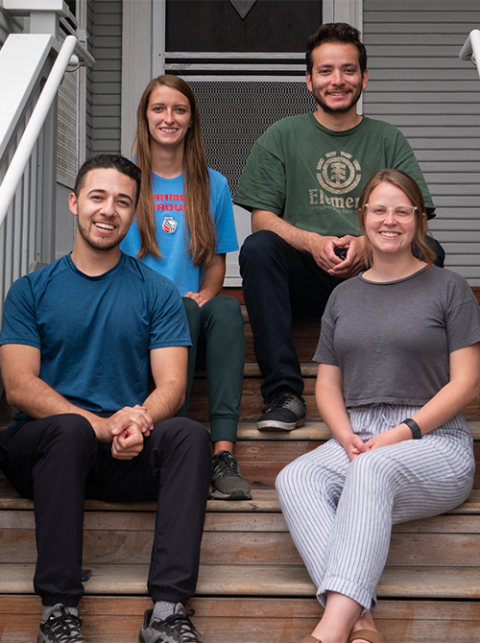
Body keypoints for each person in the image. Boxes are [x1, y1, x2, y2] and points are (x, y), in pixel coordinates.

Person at [0, 154, 211, 643]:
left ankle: (167, 610)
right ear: (75, 203)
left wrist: (137, 423)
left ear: (135, 215)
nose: (108, 210)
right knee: (69, 430)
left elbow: (173, 386)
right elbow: (19, 386)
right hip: (44, 452)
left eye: (123, 201)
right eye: (97, 197)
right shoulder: (31, 290)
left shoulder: (157, 292)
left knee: (187, 436)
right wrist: (99, 424)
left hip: (123, 450)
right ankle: (59, 609)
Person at [275, 169, 480, 643]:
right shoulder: (344, 295)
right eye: (380, 210)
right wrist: (343, 432)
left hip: (434, 437)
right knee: (296, 477)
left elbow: (466, 383)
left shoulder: (449, 288)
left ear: (419, 220)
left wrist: (402, 432)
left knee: (372, 471)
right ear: (362, 216)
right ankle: (362, 624)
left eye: (402, 211)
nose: (390, 220)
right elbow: (327, 383)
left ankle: (327, 633)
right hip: (359, 433)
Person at [234, 22, 444, 431]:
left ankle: (407, 391)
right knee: (259, 248)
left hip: (378, 275)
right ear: (308, 79)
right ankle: (284, 394)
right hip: (306, 278)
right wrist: (311, 241)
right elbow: (262, 218)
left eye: (348, 70)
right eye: (326, 70)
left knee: (428, 247)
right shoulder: (282, 136)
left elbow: (416, 212)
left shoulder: (388, 138)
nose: (337, 80)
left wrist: (370, 243)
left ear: (364, 77)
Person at [121, 75, 251, 501]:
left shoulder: (212, 183)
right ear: (145, 117)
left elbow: (215, 264)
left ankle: (222, 453)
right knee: (185, 311)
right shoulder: (127, 181)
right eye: (159, 109)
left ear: (191, 120)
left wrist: (209, 294)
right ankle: (168, 440)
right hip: (139, 304)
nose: (169, 118)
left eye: (179, 109)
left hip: (193, 303)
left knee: (228, 310)